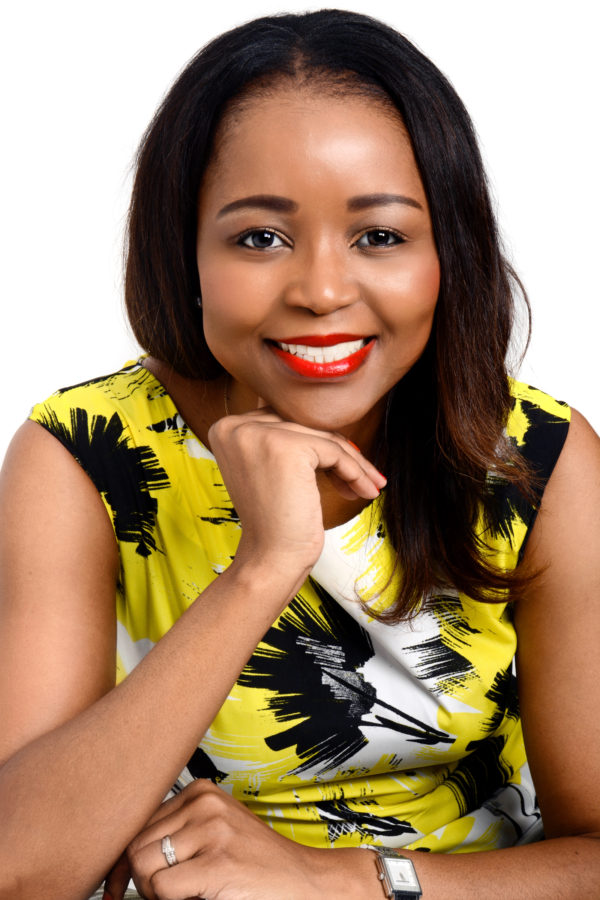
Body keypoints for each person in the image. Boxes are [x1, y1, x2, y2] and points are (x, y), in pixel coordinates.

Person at [0, 9, 599, 900]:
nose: (321, 291)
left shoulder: (534, 460)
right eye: (260, 238)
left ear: (449, 252)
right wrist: (265, 564)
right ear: (186, 253)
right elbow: (19, 869)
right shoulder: (85, 455)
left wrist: (342, 880)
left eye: (380, 236)